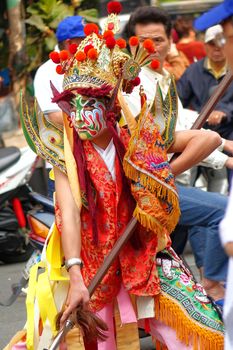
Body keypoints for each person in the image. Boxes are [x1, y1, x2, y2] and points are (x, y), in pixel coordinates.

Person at [6, 3, 224, 350]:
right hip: (94, 265)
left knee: (205, 334)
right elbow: (70, 216)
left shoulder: (135, 138)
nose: (79, 115)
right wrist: (75, 274)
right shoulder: (67, 153)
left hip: (142, 254)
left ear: (110, 105)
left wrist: (155, 175)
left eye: (88, 103)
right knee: (85, 341)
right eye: (72, 104)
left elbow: (207, 139)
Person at [123, 5, 229, 304]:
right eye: (142, 41)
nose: (150, 47)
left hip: (170, 175)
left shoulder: (163, 77)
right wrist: (221, 149)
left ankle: (205, 288)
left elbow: (182, 123)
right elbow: (167, 138)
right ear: (129, 42)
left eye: (157, 40)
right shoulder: (129, 82)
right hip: (142, 185)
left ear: (170, 40)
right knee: (221, 211)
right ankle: (212, 285)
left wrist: (224, 150)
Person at [195, 0, 233, 348]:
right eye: (218, 42)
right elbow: (182, 126)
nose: (222, 49)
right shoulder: (190, 74)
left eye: (228, 40)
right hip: (202, 160)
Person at [34, 15, 85, 198]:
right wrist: (94, 122)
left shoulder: (89, 64)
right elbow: (55, 116)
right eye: (85, 40)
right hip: (63, 163)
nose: (92, 45)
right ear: (70, 43)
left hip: (95, 161)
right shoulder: (47, 71)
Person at [177, 24, 233, 190]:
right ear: (205, 45)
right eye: (211, 44)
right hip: (199, 131)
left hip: (229, 131)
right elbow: (179, 100)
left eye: (221, 43)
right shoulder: (193, 71)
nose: (217, 48)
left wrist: (224, 113)